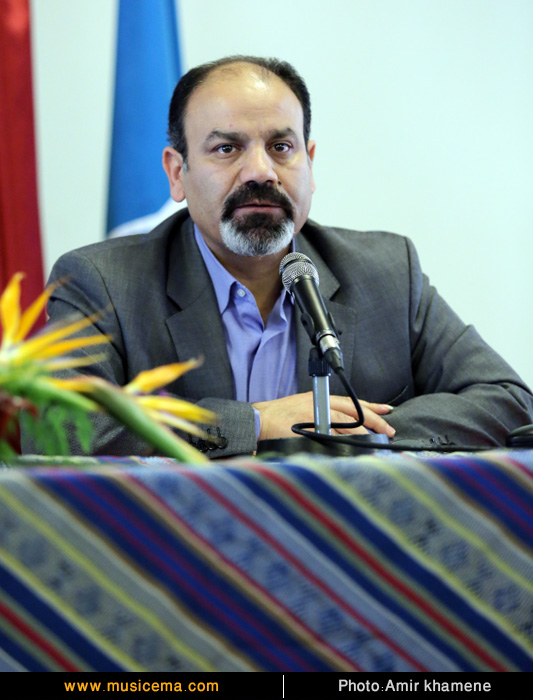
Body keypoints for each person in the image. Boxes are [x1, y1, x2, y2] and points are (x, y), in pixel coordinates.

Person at [29, 56, 533, 456]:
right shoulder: (103, 282)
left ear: (309, 164)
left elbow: (509, 402)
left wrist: (353, 429)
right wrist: (255, 423)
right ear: (177, 173)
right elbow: (59, 427)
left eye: (281, 147)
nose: (261, 171)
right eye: (227, 148)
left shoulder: (388, 273)